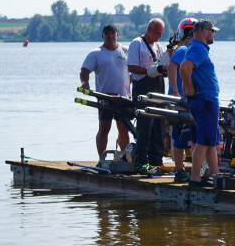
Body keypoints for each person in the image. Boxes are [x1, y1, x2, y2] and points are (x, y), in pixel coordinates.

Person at [80, 24, 131, 158]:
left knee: (124, 129)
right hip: (104, 96)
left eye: (112, 33)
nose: (110, 36)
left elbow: (135, 68)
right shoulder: (96, 53)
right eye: (107, 34)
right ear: (102, 36)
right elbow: (84, 71)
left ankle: (125, 157)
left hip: (123, 97)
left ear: (117, 35)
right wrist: (85, 83)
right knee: (104, 128)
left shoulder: (126, 51)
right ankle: (101, 157)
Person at [180, 19, 221, 188]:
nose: (213, 34)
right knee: (203, 140)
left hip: (206, 100)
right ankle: (195, 178)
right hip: (204, 100)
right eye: (212, 31)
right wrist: (189, 89)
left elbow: (187, 68)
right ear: (205, 31)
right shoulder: (198, 48)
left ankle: (216, 176)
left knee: (210, 141)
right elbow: (184, 67)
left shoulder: (196, 47)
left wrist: (188, 90)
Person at [127, 18, 167, 175]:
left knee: (159, 126)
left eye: (161, 33)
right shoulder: (137, 43)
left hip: (158, 91)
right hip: (143, 90)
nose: (159, 36)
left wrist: (162, 70)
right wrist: (150, 71)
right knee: (145, 128)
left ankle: (157, 162)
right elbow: (131, 66)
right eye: (157, 33)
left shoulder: (158, 46)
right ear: (149, 29)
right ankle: (141, 162)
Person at [167, 17, 197, 183]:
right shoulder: (182, 49)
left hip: (190, 101)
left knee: (193, 137)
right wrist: (176, 91)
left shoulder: (193, 50)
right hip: (180, 102)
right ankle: (179, 170)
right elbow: (172, 67)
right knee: (179, 137)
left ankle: (194, 168)